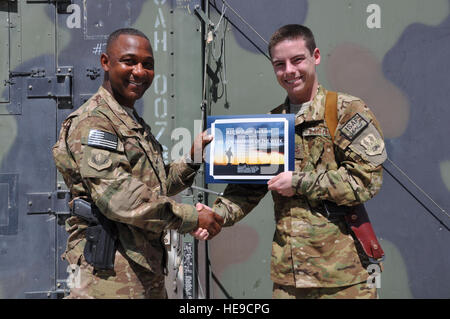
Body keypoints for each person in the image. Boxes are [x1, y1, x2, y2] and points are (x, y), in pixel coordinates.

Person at [198, 24, 387, 299]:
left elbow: (365, 181)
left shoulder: (346, 110)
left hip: (343, 279)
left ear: (316, 56)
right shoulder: (270, 124)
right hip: (290, 281)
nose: (289, 71)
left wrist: (298, 182)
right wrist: (214, 217)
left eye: (297, 60)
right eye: (279, 64)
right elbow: (245, 190)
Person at [52, 28, 223, 299]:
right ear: (106, 62)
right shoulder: (95, 122)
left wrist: (193, 159)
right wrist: (192, 217)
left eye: (148, 64)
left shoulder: (128, 120)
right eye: (129, 61)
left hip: (143, 271)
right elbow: (119, 199)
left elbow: (155, 186)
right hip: (109, 280)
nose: (140, 72)